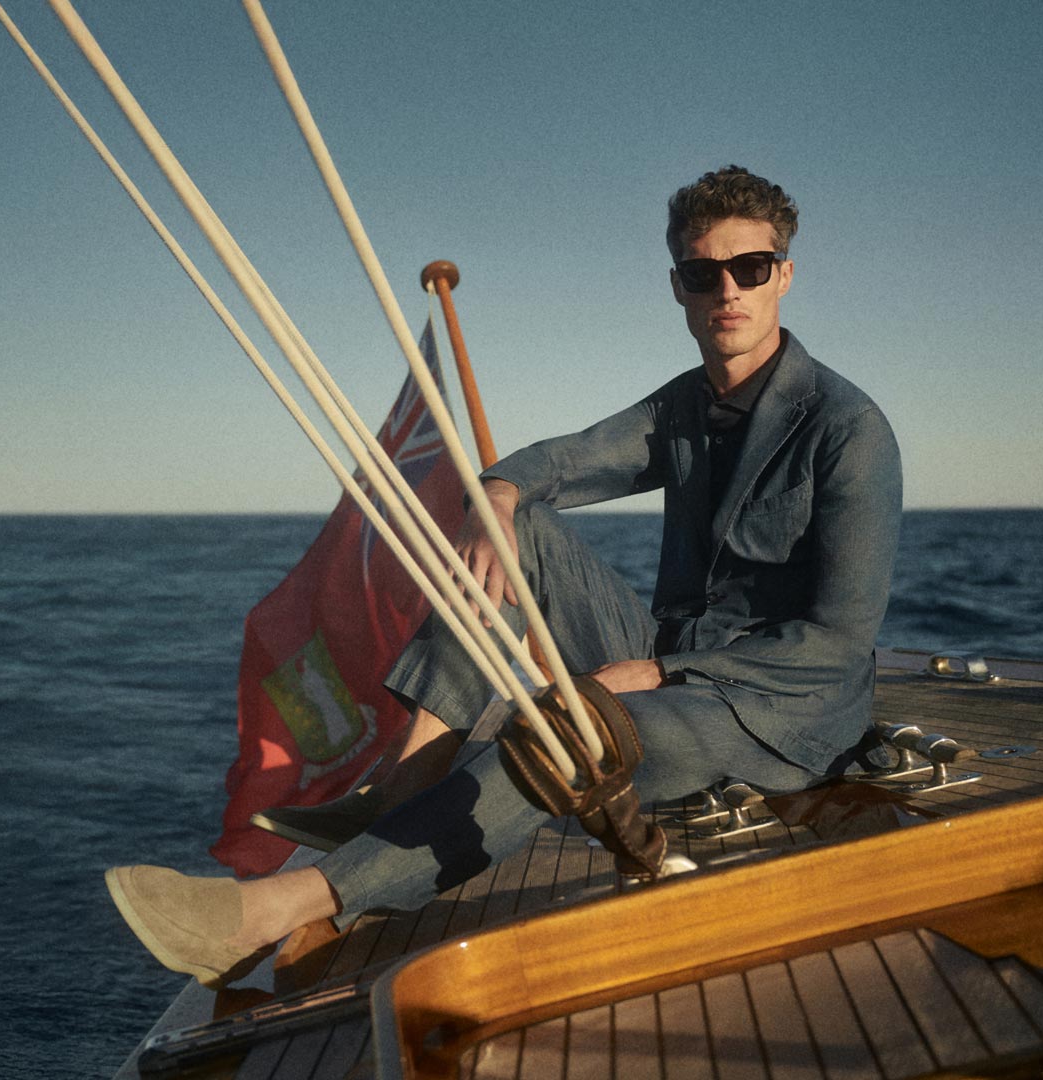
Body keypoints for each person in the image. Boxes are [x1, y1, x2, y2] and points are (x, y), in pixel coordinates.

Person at [106, 166, 903, 989]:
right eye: (705, 272)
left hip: (781, 709)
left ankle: (276, 909)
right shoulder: (684, 408)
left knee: (571, 727)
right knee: (510, 522)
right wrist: (496, 488)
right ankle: (403, 788)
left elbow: (838, 645)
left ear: (784, 275)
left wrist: (664, 671)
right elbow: (566, 458)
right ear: (678, 286)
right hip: (674, 660)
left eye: (751, 268)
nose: (727, 289)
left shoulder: (848, 429)